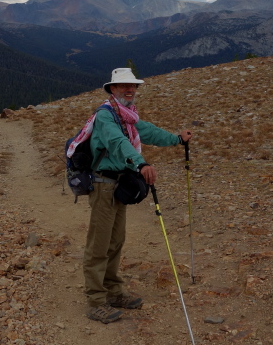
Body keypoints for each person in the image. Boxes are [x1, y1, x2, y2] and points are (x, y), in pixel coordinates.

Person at [82, 67, 193, 324]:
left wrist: (176, 139)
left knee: (115, 240)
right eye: (123, 86)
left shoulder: (126, 116)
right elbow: (116, 143)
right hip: (103, 185)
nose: (130, 90)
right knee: (99, 244)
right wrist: (141, 163)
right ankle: (96, 300)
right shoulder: (106, 117)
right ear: (112, 89)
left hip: (117, 184)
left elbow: (149, 131)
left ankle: (113, 290)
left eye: (133, 86)